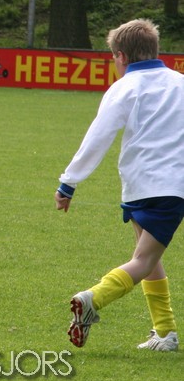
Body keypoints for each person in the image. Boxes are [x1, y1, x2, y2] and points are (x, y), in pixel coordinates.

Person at [58, 19, 184, 351]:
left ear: (122, 56)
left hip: (137, 185)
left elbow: (98, 136)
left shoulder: (123, 87)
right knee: (144, 259)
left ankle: (166, 333)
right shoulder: (180, 83)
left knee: (148, 256)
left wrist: (69, 182)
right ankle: (92, 299)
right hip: (171, 186)